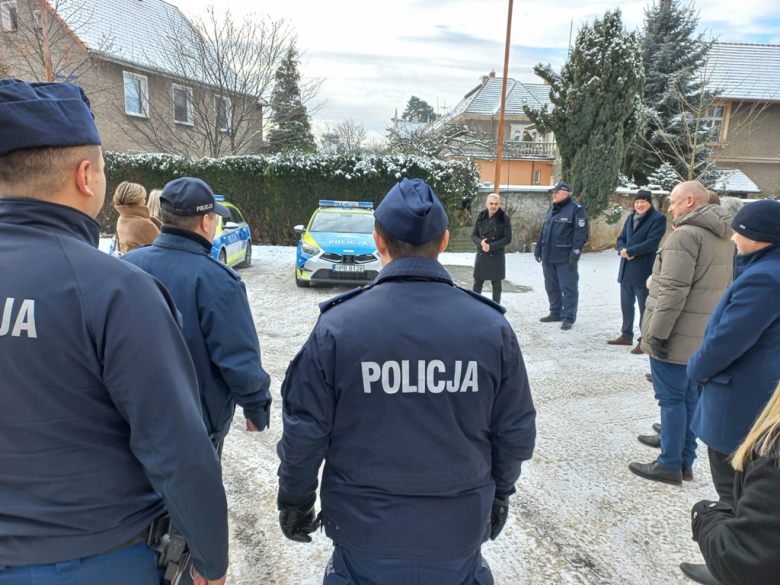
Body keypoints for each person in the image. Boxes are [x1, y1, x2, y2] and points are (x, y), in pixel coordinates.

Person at [0, 79, 228, 584]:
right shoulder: (116, 291)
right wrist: (211, 558)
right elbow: (176, 446)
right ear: (86, 176)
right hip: (96, 558)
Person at [276, 178, 536, 585]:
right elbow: (515, 430)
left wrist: (295, 499)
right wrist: (500, 493)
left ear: (378, 240)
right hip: (458, 527)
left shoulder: (339, 326)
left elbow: (305, 432)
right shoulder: (490, 327)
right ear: (445, 240)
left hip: (363, 531)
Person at [124, 177, 272, 453]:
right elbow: (237, 356)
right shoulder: (219, 281)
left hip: (131, 420)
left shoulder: (126, 267)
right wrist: (256, 405)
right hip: (193, 430)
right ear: (206, 222)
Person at [679, 199, 780, 585]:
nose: (733, 236)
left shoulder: (764, 277)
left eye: (740, 231)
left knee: (736, 494)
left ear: (761, 237)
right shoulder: (764, 269)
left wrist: (695, 368)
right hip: (753, 397)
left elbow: (726, 341)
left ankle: (731, 566)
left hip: (738, 403)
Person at [629, 181, 734, 486]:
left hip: (674, 335)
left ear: (690, 201)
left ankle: (669, 464)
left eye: (673, 202)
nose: (670, 208)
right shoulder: (723, 236)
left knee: (672, 401)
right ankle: (685, 462)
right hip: (701, 335)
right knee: (688, 399)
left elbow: (672, 292)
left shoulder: (684, 236)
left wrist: (656, 335)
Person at [690, 381, 780, 585]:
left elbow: (747, 552)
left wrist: (706, 515)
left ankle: (725, 566)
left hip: (733, 400)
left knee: (730, 490)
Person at [608, 189, 667, 354]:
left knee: (644, 308)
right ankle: (626, 335)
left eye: (643, 202)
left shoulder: (658, 219)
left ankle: (644, 340)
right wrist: (622, 250)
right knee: (626, 306)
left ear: (650, 203)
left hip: (643, 271)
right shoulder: (630, 217)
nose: (640, 205)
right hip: (626, 270)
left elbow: (652, 243)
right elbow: (621, 238)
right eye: (637, 202)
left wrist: (631, 251)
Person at [535, 181, 589, 330]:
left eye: (556, 192)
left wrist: (575, 253)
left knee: (568, 287)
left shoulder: (576, 210)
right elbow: (544, 230)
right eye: (553, 192)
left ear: (565, 194)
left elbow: (581, 234)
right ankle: (555, 312)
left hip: (565, 258)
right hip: (548, 256)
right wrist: (538, 248)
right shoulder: (552, 209)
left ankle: (568, 317)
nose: (554, 194)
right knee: (551, 286)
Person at [471, 193, 512, 304]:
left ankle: (496, 308)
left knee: (496, 285)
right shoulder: (481, 216)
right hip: (482, 254)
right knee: (477, 284)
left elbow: (508, 239)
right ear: (486, 204)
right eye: (491, 203)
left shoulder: (504, 218)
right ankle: (474, 307)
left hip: (496, 255)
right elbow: (473, 235)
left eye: (496, 204)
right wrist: (481, 242)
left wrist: (491, 246)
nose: (493, 206)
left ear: (499, 204)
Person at [113, 181, 161, 254]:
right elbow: (162, 250)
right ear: (137, 200)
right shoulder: (143, 224)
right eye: (143, 198)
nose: (144, 201)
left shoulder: (123, 218)